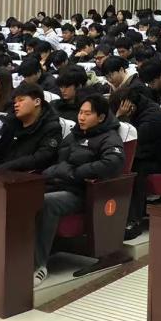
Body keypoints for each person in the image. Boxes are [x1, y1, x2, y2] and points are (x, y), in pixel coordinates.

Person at [33, 94, 126, 285]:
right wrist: (54, 172)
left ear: (100, 117)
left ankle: (38, 265)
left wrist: (76, 173)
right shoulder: (74, 134)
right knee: (23, 196)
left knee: (47, 202)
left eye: (87, 114)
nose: (81, 117)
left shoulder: (110, 137)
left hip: (84, 193)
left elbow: (113, 163)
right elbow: (58, 160)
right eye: (80, 113)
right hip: (59, 184)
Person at [113, 86, 161, 238]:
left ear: (130, 106)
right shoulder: (137, 110)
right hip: (145, 154)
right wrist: (118, 116)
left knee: (135, 170)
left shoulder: (152, 116)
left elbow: (133, 139)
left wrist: (121, 118)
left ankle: (134, 221)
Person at [0, 83, 62, 172]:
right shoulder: (11, 122)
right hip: (0, 172)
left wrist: (3, 168)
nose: (16, 105)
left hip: (28, 176)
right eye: (15, 102)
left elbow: (42, 158)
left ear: (37, 102)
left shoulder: (51, 127)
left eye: (21, 100)